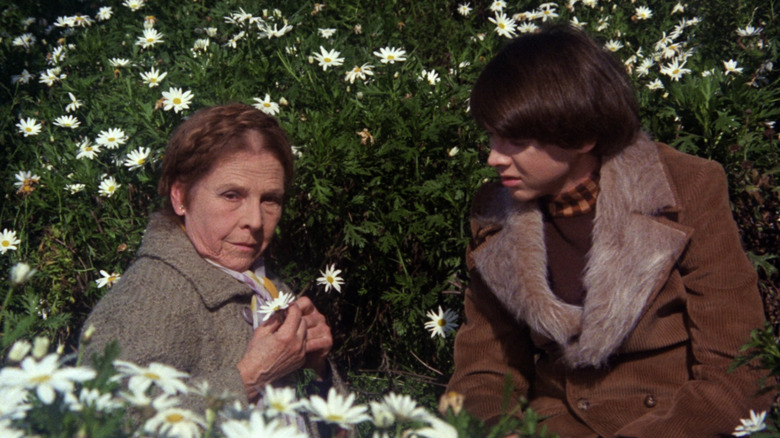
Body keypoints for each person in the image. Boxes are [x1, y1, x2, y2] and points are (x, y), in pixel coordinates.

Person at [446, 25, 774, 437]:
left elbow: (740, 371)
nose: (494, 157)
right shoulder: (494, 213)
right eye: (492, 136)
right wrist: (499, 430)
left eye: (514, 140)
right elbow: (484, 372)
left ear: (580, 134)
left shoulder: (686, 188)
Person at [81, 103, 332, 426]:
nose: (255, 221)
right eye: (232, 195)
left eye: (270, 199)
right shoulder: (149, 296)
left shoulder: (269, 289)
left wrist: (319, 370)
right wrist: (249, 376)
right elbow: (109, 421)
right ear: (180, 196)